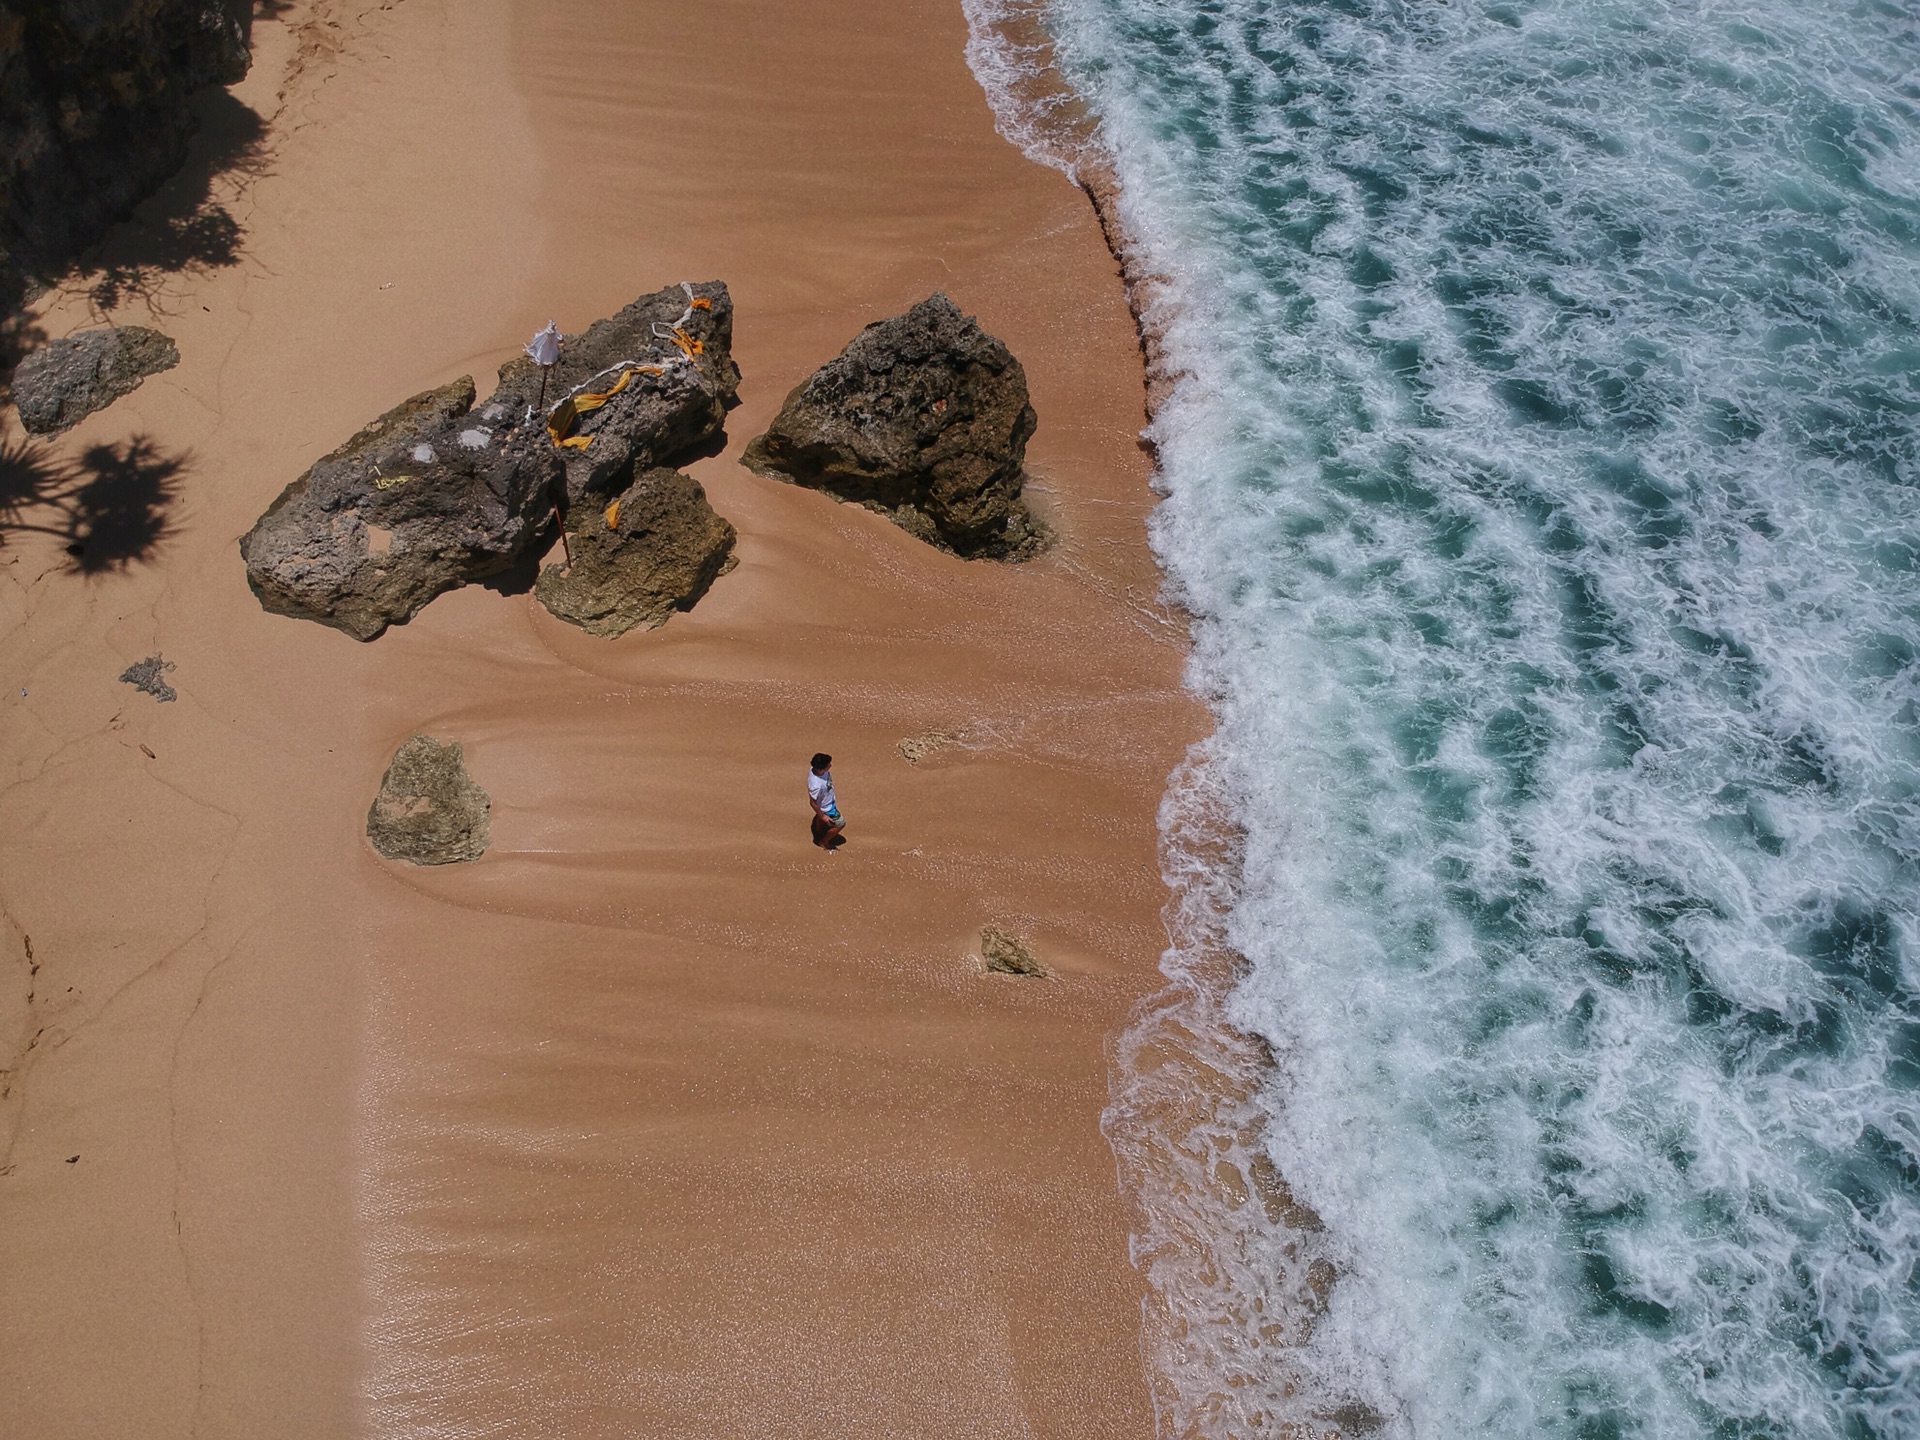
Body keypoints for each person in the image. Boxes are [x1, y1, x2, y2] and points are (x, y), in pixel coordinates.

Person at [808, 752, 845, 849]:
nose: (830, 765)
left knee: (821, 822)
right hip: (827, 807)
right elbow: (812, 802)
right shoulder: (815, 785)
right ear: (821, 768)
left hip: (826, 801)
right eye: (828, 764)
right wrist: (823, 815)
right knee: (841, 824)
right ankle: (823, 841)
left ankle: (820, 832)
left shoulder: (815, 769)